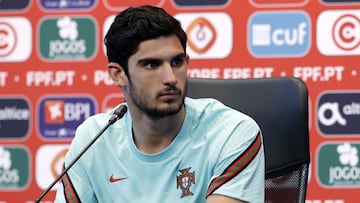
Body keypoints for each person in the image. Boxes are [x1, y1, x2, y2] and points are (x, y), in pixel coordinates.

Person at [55, 5, 264, 203]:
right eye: (152, 65)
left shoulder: (231, 132)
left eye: (177, 62)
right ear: (118, 74)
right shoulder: (93, 139)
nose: (171, 78)